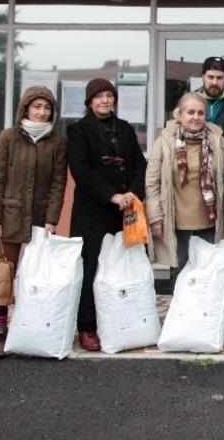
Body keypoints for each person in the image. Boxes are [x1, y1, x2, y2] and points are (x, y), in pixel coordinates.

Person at [0, 86, 67, 357]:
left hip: (41, 220)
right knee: (3, 277)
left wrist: (52, 219)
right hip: (11, 217)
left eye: (47, 108)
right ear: (26, 109)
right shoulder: (9, 137)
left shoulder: (57, 142)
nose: (42, 112)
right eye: (37, 107)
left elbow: (58, 183)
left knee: (35, 278)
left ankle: (29, 327)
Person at [67, 78, 147, 352]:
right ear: (90, 102)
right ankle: (87, 326)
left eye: (109, 96)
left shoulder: (125, 128)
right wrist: (112, 195)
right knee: (90, 267)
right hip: (92, 211)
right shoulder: (78, 131)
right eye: (99, 96)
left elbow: (139, 164)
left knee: (125, 265)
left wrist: (133, 193)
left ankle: (121, 320)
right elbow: (81, 171)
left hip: (124, 210)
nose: (105, 100)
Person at [145, 92, 224, 293]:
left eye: (200, 113)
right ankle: (180, 311)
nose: (196, 117)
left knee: (209, 275)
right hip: (176, 223)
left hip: (210, 222)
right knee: (180, 274)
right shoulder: (164, 142)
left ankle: (207, 311)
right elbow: (152, 182)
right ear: (179, 115)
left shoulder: (217, 140)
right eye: (190, 112)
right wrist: (155, 217)